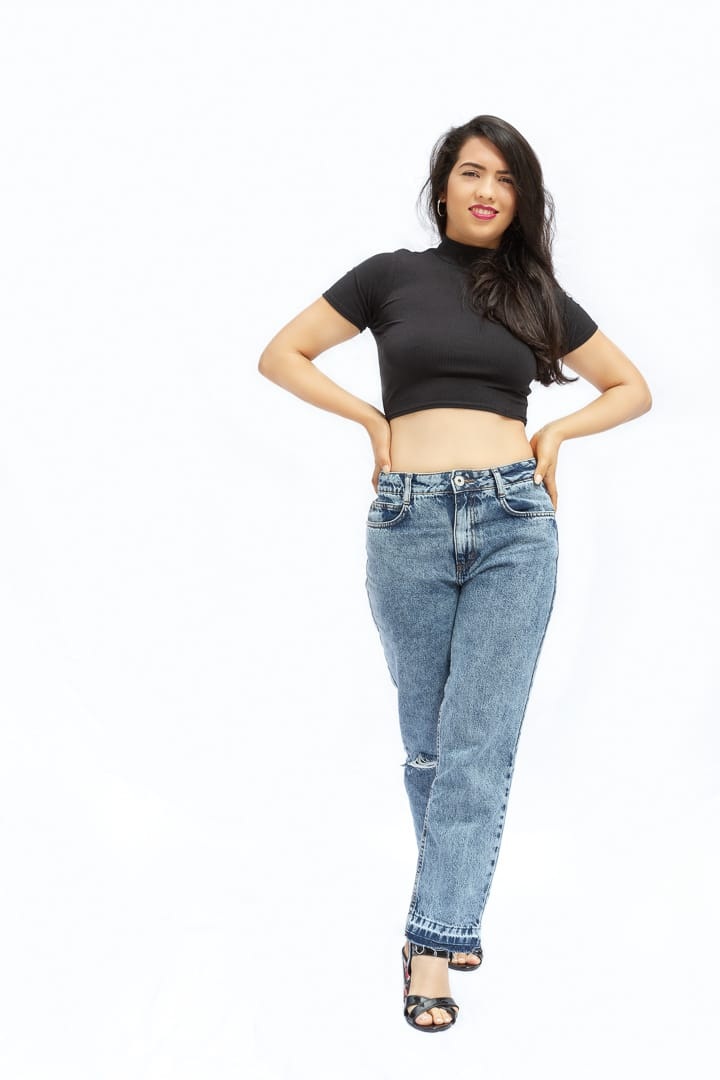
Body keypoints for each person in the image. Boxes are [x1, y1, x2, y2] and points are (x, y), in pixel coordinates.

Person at [257, 115, 652, 1033]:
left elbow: (632, 387)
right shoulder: (388, 276)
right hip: (408, 521)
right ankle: (453, 904)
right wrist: (372, 421)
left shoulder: (535, 293)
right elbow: (281, 354)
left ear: (522, 201)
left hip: (515, 521)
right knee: (428, 743)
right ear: (443, 186)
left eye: (506, 180)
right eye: (473, 173)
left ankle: (432, 944)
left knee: (477, 744)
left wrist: (556, 433)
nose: (487, 191)